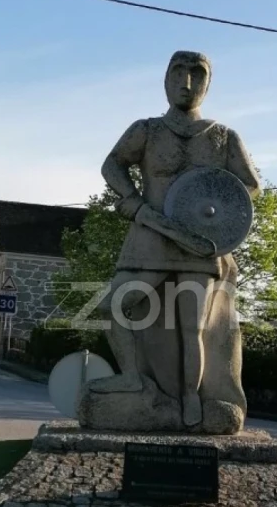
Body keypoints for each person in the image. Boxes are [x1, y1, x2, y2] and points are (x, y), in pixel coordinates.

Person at [87, 51, 261, 428]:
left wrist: (217, 213)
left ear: (207, 84)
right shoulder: (146, 130)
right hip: (149, 235)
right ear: (165, 80)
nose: (186, 84)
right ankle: (132, 377)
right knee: (115, 306)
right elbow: (111, 164)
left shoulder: (223, 137)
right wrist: (131, 201)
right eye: (178, 74)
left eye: (197, 75)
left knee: (192, 328)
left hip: (198, 246)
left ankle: (191, 401)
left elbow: (249, 186)